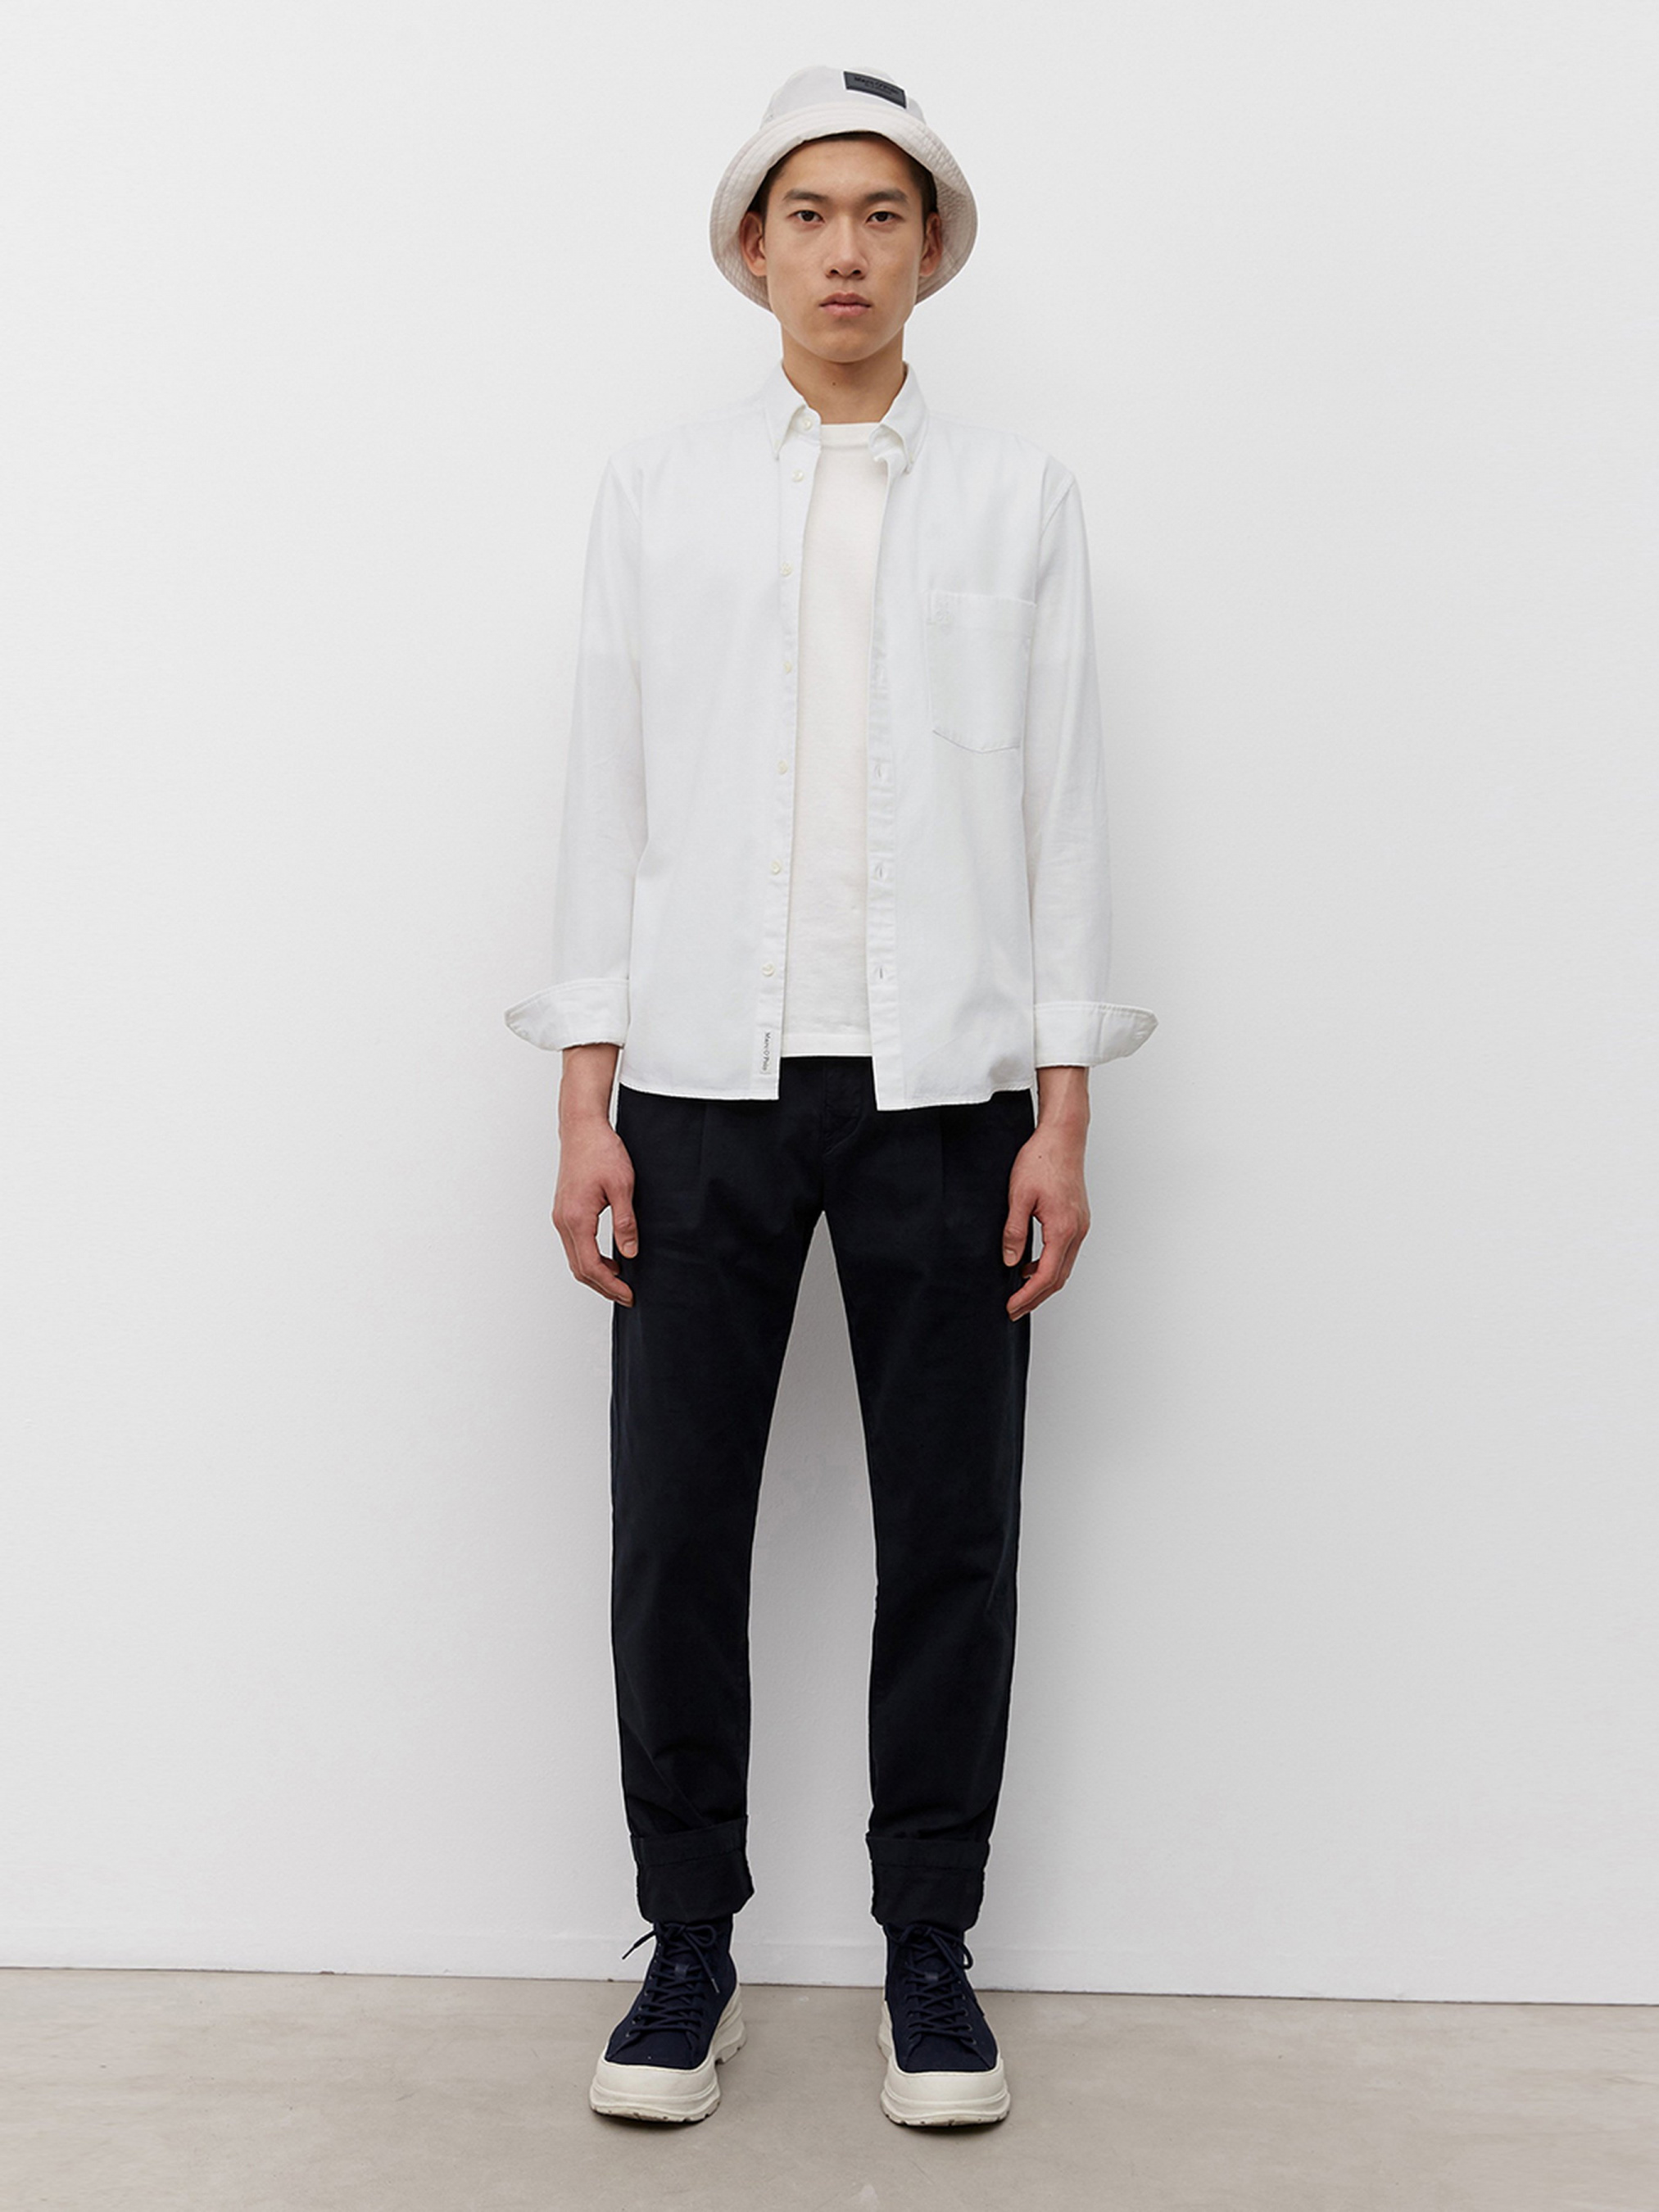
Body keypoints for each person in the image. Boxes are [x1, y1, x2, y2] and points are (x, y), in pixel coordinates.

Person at [504, 61, 1157, 2129]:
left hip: (947, 1091)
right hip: (695, 1082)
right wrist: (583, 1103)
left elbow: (1062, 811)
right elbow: (606, 793)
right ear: (751, 248)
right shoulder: (659, 495)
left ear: (929, 250)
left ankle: (926, 1953)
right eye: (808, 214)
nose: (844, 250)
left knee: (949, 1533)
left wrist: (1062, 1112)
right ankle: (685, 1943)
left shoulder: (1018, 501)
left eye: (882, 214)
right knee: (673, 1532)